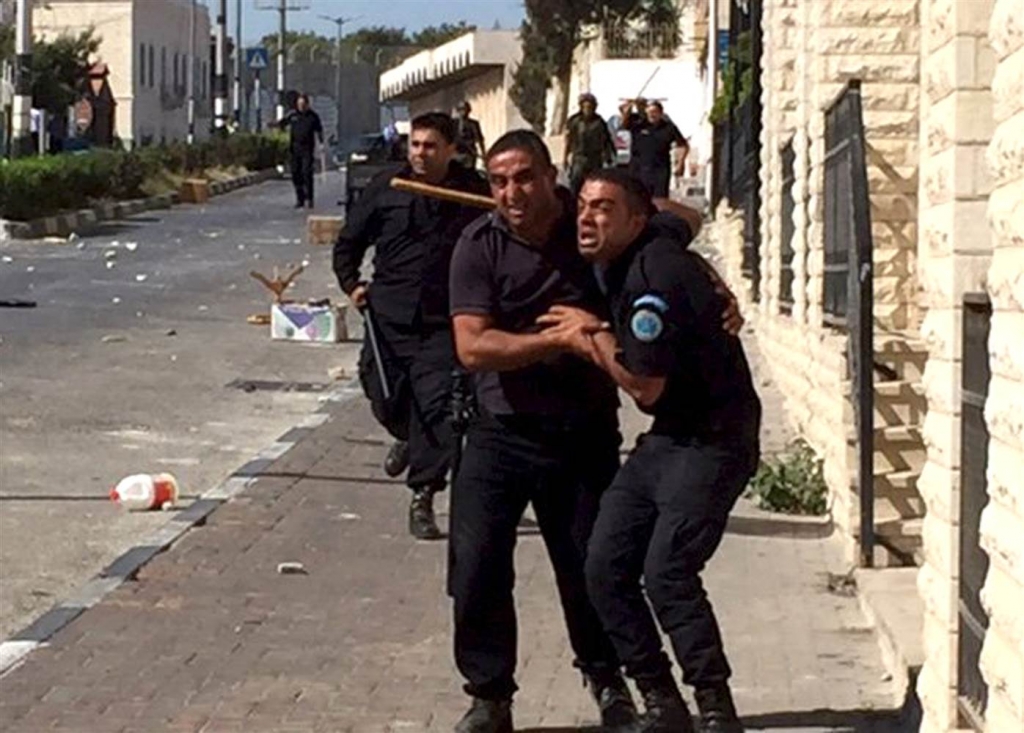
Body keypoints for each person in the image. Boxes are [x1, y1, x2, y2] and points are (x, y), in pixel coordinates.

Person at [540, 168, 761, 733]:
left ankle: (715, 706)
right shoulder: (652, 235)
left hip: (714, 438)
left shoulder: (651, 276)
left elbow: (644, 388)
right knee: (604, 565)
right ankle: (660, 700)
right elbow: (684, 215)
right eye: (584, 206)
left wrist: (589, 336)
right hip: (668, 438)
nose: (587, 219)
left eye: (604, 209)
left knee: (668, 571)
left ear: (634, 220)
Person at [447, 129, 636, 733]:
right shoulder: (479, 246)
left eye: (524, 177)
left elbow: (665, 225)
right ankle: (489, 695)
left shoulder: (588, 229)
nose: (512, 192)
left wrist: (708, 285)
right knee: (476, 565)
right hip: (500, 432)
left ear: (552, 174)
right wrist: (553, 341)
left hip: (582, 432)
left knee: (591, 567)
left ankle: (609, 681)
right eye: (499, 181)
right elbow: (473, 346)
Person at [333, 112, 490, 541]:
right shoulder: (387, 187)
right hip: (388, 316)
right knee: (383, 394)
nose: (421, 153)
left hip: (444, 321)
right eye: (415, 145)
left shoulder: (473, 192)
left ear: (451, 150)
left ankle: (423, 495)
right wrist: (352, 285)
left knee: (438, 407)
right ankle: (406, 434)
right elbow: (349, 242)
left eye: (430, 146)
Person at [618, 98, 688, 198]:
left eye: (655, 112)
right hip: (638, 169)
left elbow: (683, 145)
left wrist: (681, 163)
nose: (652, 115)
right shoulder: (638, 123)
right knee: (638, 200)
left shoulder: (668, 127)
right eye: (650, 112)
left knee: (659, 201)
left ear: (661, 113)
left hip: (659, 171)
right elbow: (624, 121)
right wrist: (631, 106)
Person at [564, 93, 616, 195]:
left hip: (595, 159)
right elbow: (568, 139)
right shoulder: (575, 121)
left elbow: (606, 140)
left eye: (590, 107)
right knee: (575, 183)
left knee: (595, 183)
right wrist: (565, 157)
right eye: (586, 107)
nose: (588, 109)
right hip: (579, 158)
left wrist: (609, 156)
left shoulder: (599, 122)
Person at [280, 94, 323, 208]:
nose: (301, 107)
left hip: (307, 149)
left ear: (307, 104)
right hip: (294, 149)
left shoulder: (313, 116)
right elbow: (283, 123)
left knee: (307, 172)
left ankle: (309, 197)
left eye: (303, 104)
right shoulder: (293, 115)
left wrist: (322, 144)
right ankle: (300, 198)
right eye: (299, 104)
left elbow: (319, 130)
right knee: (295, 173)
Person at [453, 101, 486, 170]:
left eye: (465, 109)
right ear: (458, 111)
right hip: (456, 153)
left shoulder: (473, 124)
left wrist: (483, 154)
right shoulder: (454, 123)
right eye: (461, 109)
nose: (464, 112)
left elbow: (480, 140)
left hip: (469, 153)